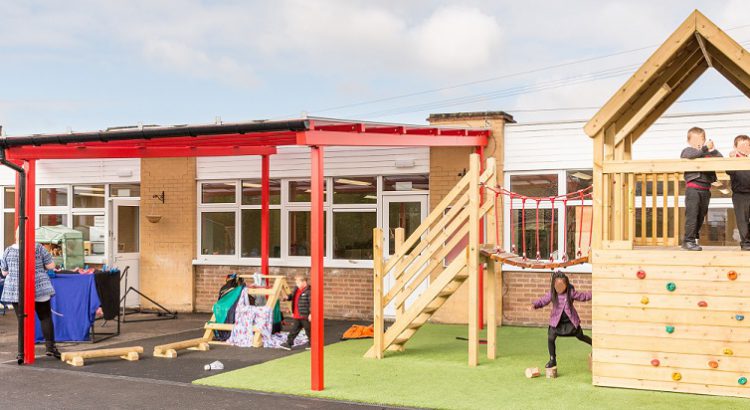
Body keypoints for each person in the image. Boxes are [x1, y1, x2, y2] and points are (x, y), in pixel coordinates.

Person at [0, 228, 61, 359]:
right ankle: (50, 348)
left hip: (16, 290)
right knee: (45, 317)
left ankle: (22, 352)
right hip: (39, 286)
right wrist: (42, 266)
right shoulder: (38, 248)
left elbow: (4, 272)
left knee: (22, 320)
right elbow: (51, 266)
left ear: (16, 236)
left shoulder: (8, 250)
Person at [532, 271, 592, 369]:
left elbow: (583, 296)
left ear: (566, 284)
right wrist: (535, 304)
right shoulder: (552, 294)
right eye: (557, 285)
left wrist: (593, 293)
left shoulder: (570, 293)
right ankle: (552, 359)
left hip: (570, 322)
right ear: (554, 285)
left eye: (562, 285)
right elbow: (544, 300)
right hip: (557, 322)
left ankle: (593, 343)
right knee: (550, 338)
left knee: (581, 336)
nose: (560, 288)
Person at [680, 127, 722, 251]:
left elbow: (720, 159)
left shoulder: (707, 152)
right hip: (693, 189)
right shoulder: (687, 151)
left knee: (700, 216)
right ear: (689, 141)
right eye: (695, 139)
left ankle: (692, 239)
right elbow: (692, 155)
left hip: (705, 189)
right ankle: (688, 241)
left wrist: (712, 149)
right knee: (692, 215)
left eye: (701, 139)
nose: (698, 142)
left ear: (704, 140)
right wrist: (704, 149)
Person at [728, 135, 750, 250]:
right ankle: (746, 244)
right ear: (735, 147)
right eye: (742, 145)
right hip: (740, 194)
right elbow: (729, 171)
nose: (745, 147)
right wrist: (732, 159)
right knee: (743, 220)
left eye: (748, 145)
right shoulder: (733, 158)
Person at [280, 274, 311, 350]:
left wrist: (311, 313)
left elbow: (312, 303)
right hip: (297, 314)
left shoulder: (309, 291)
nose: (296, 284)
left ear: (304, 282)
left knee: (309, 331)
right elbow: (292, 296)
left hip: (305, 315)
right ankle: (289, 343)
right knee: (294, 330)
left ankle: (312, 344)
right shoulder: (296, 289)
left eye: (298, 282)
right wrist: (287, 297)